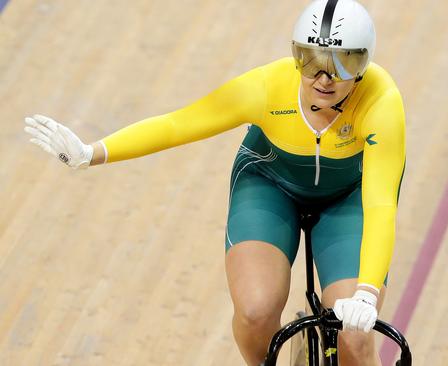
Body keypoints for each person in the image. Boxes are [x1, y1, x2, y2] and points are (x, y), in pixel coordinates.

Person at [24, 0, 405, 364]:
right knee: (256, 311)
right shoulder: (268, 88)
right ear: (295, 55)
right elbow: (179, 124)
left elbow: (380, 204)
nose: (323, 77)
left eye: (342, 63)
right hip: (270, 184)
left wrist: (367, 294)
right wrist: (92, 153)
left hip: (348, 199)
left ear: (363, 65)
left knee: (353, 336)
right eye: (311, 60)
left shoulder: (381, 102)